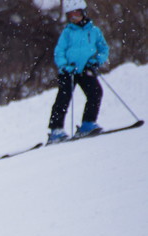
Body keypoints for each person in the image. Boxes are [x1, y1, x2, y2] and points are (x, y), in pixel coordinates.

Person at [47, 0, 109, 143]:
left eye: (77, 14)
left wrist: (96, 61)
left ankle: (88, 123)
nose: (74, 18)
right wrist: (64, 66)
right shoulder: (67, 32)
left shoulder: (94, 31)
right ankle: (56, 130)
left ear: (84, 13)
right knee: (63, 98)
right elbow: (59, 51)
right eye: (71, 16)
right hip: (68, 71)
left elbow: (103, 49)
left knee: (95, 92)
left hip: (85, 69)